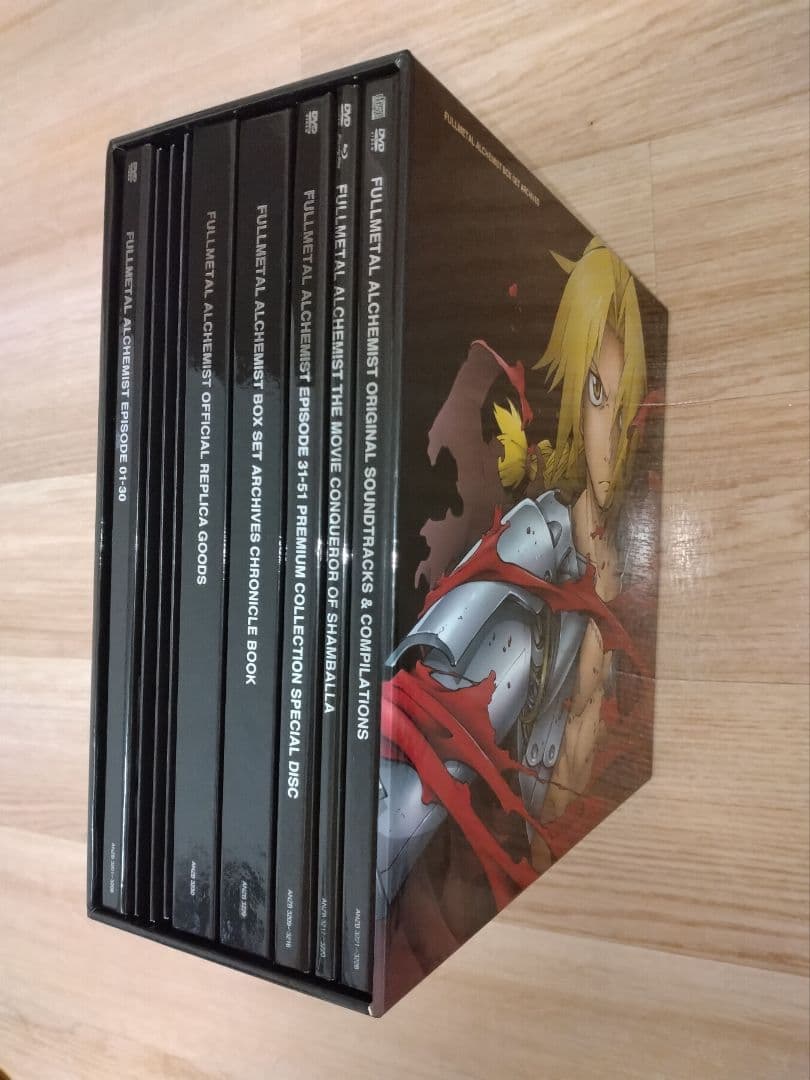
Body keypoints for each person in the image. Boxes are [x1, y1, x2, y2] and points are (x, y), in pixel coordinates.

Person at [377, 237, 648, 911]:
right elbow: (413, 774)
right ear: (574, 393)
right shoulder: (536, 548)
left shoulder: (627, 570)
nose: (610, 439)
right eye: (596, 394)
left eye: (623, 406)